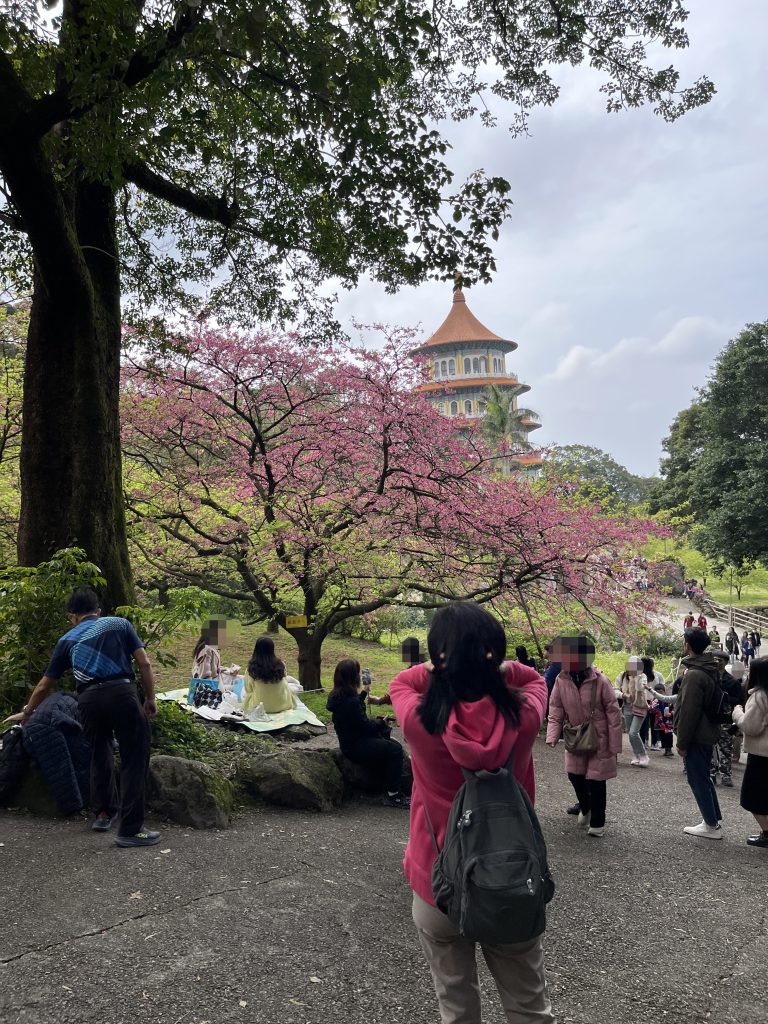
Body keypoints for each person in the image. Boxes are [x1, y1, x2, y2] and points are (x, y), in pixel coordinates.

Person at [389, 602, 554, 1023]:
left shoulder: (418, 721)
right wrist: (497, 667)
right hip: (511, 879)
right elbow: (534, 676)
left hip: (437, 884)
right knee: (529, 1005)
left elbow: (402, 681)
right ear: (494, 655)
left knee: (456, 1005)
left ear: (439, 657)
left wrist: (442, 665)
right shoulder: (525, 715)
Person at [7, 587, 160, 847]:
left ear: (73, 617)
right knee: (134, 758)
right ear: (98, 611)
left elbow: (45, 685)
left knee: (98, 752)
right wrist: (150, 698)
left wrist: (28, 712)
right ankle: (130, 830)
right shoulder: (119, 624)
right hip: (122, 692)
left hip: (88, 700)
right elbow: (144, 663)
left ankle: (103, 814)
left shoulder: (67, 639)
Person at [546, 635, 622, 838]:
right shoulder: (561, 679)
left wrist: (615, 745)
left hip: (600, 737)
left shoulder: (600, 680)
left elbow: (613, 712)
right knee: (574, 774)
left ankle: (597, 822)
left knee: (597, 780)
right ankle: (585, 806)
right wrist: (552, 734)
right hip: (575, 735)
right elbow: (556, 707)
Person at [328, 658, 409, 807]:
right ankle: (393, 795)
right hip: (356, 747)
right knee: (395, 749)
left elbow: (354, 711)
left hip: (348, 742)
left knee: (388, 744)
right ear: (354, 677)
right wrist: (382, 722)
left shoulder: (336, 695)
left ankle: (390, 787)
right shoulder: (351, 701)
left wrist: (364, 693)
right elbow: (366, 727)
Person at [674, 627, 723, 840]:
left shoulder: (694, 674)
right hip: (708, 731)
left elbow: (689, 711)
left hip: (696, 734)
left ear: (688, 645)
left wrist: (682, 742)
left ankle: (710, 824)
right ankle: (713, 819)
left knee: (697, 779)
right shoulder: (709, 667)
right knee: (704, 777)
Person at [731, 656, 768, 847]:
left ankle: (767, 833)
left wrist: (737, 712)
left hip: (761, 755)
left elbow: (750, 726)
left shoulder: (760, 695)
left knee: (752, 797)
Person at [708, 647, 742, 788]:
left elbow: (739, 701)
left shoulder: (732, 682)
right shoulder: (708, 677)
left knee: (725, 748)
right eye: (715, 660)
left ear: (726, 662)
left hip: (726, 719)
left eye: (720, 660)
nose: (717, 663)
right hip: (710, 718)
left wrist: (726, 697)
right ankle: (711, 773)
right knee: (709, 747)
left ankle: (726, 775)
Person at [242, 635, 295, 713]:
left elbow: (248, 690)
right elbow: (284, 682)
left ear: (256, 649)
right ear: (272, 649)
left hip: (259, 707)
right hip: (283, 705)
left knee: (245, 693)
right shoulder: (281, 665)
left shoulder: (251, 668)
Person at [617, 656, 650, 766]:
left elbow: (641, 689)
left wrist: (637, 678)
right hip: (627, 706)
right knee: (631, 733)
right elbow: (615, 689)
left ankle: (643, 755)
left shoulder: (642, 676)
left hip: (639, 706)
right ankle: (636, 755)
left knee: (633, 732)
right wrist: (623, 695)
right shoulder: (622, 676)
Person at [649, 684, 675, 757]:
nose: (660, 694)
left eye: (661, 692)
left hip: (668, 721)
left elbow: (673, 708)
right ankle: (666, 749)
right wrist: (654, 709)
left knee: (669, 735)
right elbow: (651, 710)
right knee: (662, 735)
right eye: (658, 692)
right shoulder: (655, 700)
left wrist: (671, 713)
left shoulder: (668, 699)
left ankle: (669, 749)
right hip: (660, 722)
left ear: (664, 691)